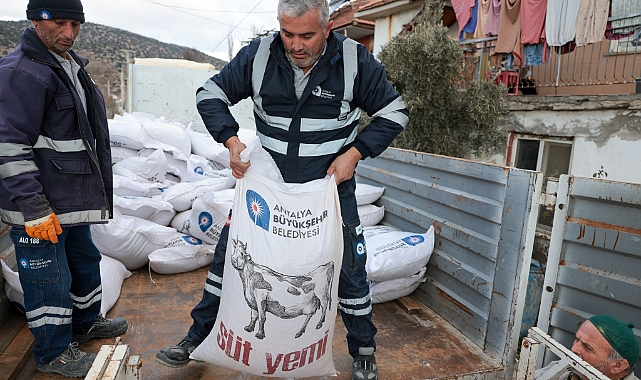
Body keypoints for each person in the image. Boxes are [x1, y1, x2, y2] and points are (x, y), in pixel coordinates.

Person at [155, 0, 408, 378]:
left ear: (327, 28)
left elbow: (395, 113)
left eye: (306, 35)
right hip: (267, 190)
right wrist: (230, 140)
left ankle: (364, 350)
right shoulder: (258, 56)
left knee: (348, 268)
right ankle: (196, 338)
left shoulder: (355, 62)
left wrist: (355, 153)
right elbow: (209, 94)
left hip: (327, 191)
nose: (295, 45)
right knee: (231, 259)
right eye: (287, 33)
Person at [0, 0, 128, 377]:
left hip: (69, 199)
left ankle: (85, 323)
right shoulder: (22, 73)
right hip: (39, 205)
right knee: (47, 281)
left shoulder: (68, 65)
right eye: (59, 23)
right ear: (36, 21)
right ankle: (53, 353)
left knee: (85, 264)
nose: (69, 33)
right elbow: (8, 146)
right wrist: (33, 208)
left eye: (75, 24)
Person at [535, 315, 639, 380]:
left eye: (587, 347)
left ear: (617, 365)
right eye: (577, 339)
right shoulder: (562, 369)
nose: (574, 349)